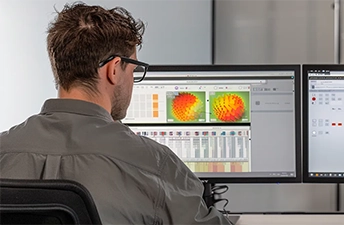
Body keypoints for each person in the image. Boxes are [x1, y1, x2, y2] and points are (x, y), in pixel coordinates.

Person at [0, 3, 231, 225]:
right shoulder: (154, 163)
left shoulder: (3, 150)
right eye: (133, 70)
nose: (133, 80)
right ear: (113, 69)